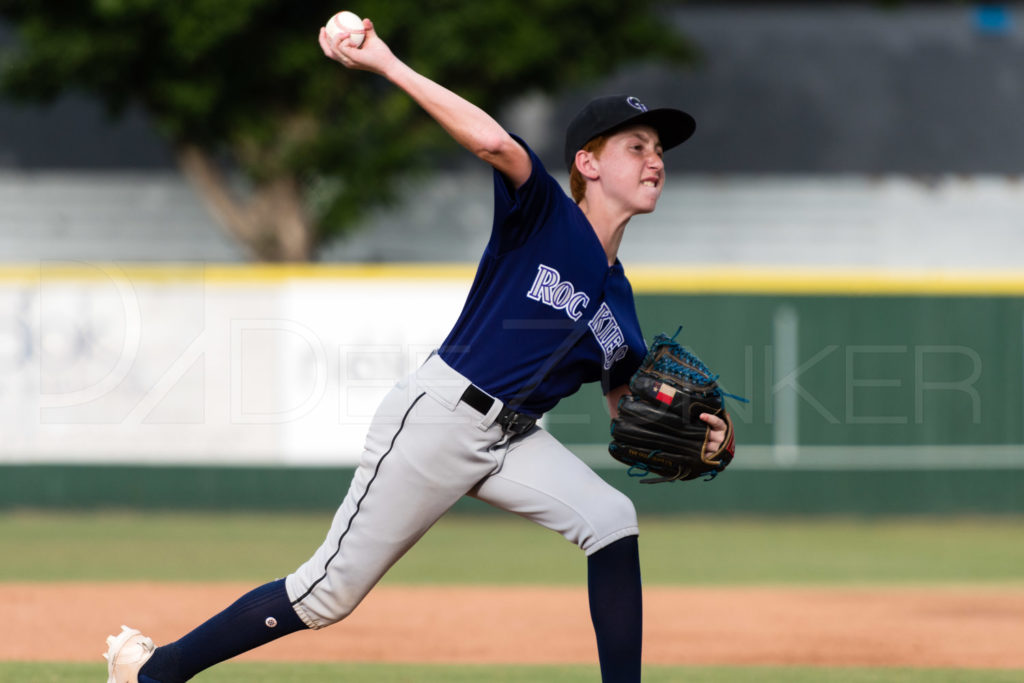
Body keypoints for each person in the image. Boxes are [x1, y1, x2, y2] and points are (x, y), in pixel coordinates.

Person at [103, 15, 728, 683]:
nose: (656, 159)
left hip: (513, 439)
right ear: (588, 162)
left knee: (610, 516)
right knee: (325, 593)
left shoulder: (620, 299)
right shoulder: (544, 213)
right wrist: (386, 63)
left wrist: (699, 433)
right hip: (439, 418)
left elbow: (625, 406)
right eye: (637, 145)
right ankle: (153, 672)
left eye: (659, 149)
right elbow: (492, 140)